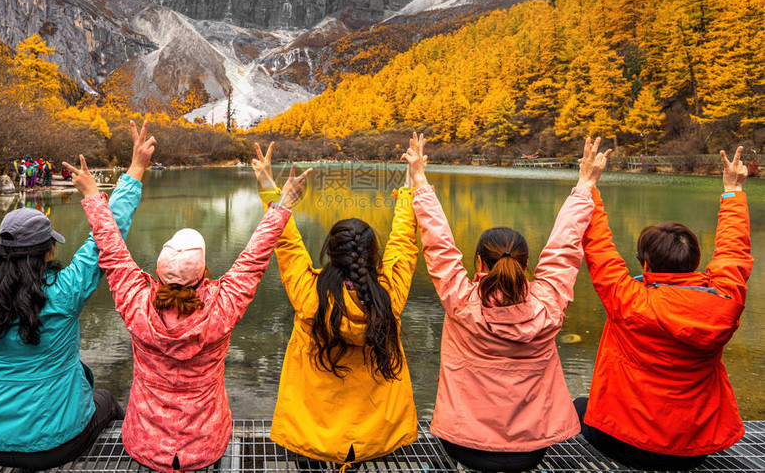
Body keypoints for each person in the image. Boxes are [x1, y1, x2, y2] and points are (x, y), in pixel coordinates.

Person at [0, 120, 152, 470]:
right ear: (48, 253)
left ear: (2, 251)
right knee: (107, 400)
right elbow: (107, 237)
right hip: (58, 443)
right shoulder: (66, 291)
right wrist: (134, 169)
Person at [65, 152, 311, 473]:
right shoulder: (223, 304)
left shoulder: (137, 301)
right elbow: (255, 255)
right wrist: (284, 202)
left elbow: (111, 247)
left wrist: (92, 195)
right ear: (204, 271)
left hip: (145, 445)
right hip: (206, 445)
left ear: (158, 270)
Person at [403, 134, 610, 473]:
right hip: (531, 451)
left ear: (479, 264)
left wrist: (420, 181)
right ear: (526, 265)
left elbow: (438, 244)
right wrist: (585, 184)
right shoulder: (549, 304)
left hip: (463, 445)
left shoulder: (461, 301)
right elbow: (564, 249)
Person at [575, 146, 752, 471]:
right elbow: (734, 253)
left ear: (645, 263)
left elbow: (598, 246)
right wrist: (734, 193)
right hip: (695, 449)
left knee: (576, 408)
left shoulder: (629, 299)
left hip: (623, 439)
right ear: (697, 262)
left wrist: (588, 187)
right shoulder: (725, 301)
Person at [252, 142, 419, 469]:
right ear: (373, 254)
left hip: (311, 433)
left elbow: (285, 242)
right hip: (371, 437)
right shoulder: (390, 294)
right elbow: (405, 239)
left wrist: (272, 190)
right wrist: (413, 182)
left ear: (331, 251)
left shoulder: (308, 293)